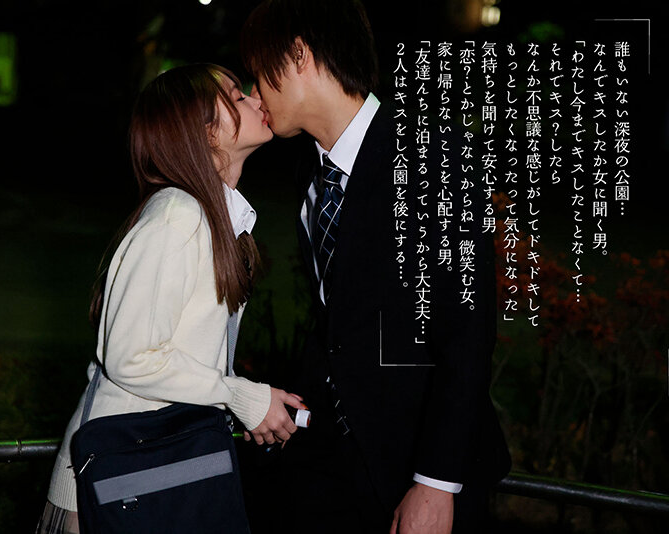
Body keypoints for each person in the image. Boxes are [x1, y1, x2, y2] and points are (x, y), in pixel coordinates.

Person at [240, 1, 511, 533]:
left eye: (259, 71)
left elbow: (467, 332)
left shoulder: (432, 158)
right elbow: (339, 322)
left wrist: (436, 482)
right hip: (331, 469)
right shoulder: (311, 171)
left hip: (417, 473)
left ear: (299, 54)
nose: (254, 91)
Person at [35, 63, 306, 534]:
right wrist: (239, 395)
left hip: (158, 471)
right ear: (204, 132)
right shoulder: (178, 215)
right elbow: (132, 357)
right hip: (121, 483)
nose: (255, 98)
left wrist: (246, 403)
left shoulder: (215, 218)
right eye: (236, 96)